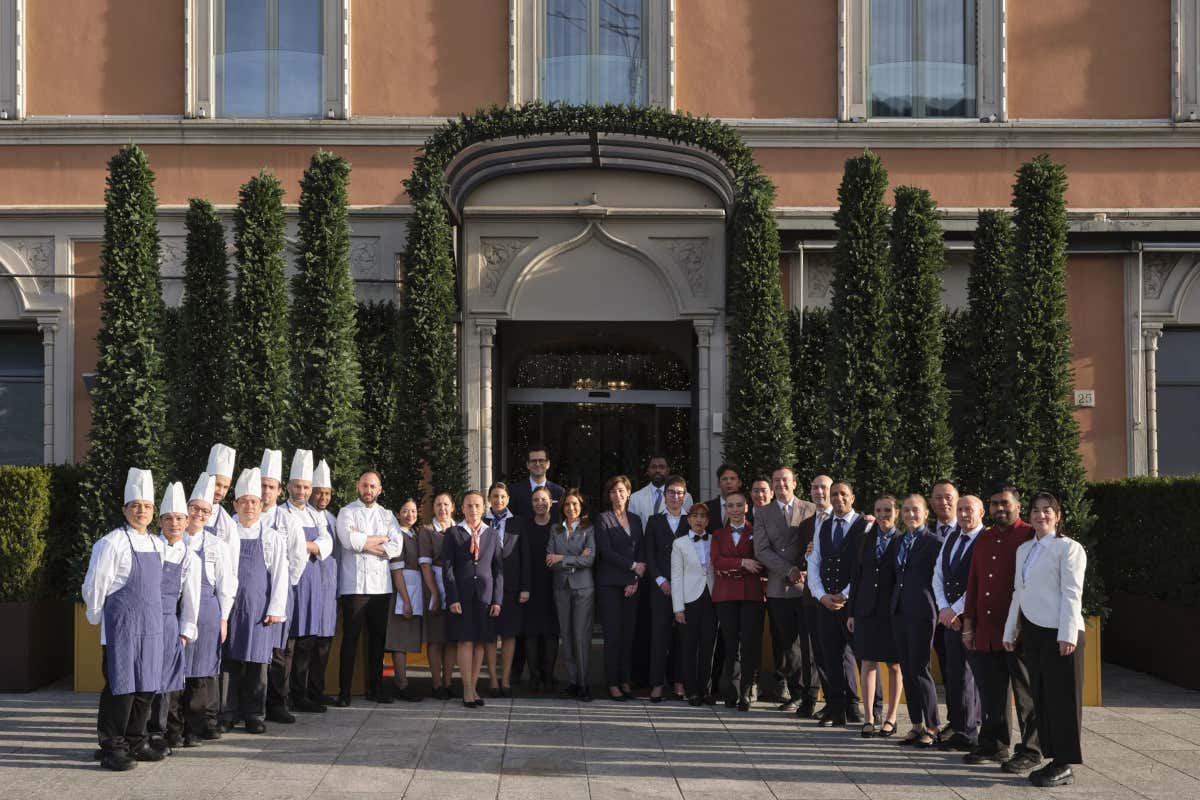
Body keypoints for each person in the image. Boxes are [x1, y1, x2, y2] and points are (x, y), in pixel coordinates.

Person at [83, 468, 168, 771]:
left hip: (151, 629)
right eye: (135, 506)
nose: (141, 511)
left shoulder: (160, 545)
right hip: (122, 628)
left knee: (146, 687)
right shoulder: (111, 543)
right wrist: (97, 619)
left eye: (146, 506)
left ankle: (136, 740)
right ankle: (112, 745)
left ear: (153, 510)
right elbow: (95, 585)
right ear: (124, 509)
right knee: (121, 687)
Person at [1003, 493, 1087, 788]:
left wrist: (1067, 635)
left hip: (1061, 634)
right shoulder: (1025, 549)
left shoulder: (1069, 548)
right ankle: (1052, 758)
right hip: (1034, 632)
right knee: (1042, 698)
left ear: (1058, 515)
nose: (1041, 516)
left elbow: (1071, 594)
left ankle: (1064, 763)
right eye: (1036, 511)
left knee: (1063, 700)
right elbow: (1019, 592)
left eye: (1047, 510)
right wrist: (1010, 631)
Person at [962, 486, 1041, 773]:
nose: (999, 509)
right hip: (987, 630)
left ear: (1018, 506)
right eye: (994, 504)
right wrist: (969, 624)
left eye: (1004, 503)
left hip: (1020, 632)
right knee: (991, 693)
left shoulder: (1031, 535)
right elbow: (974, 582)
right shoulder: (984, 537)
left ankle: (1031, 750)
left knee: (1025, 695)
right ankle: (994, 744)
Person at [221, 467, 289, 734]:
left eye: (254, 502)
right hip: (231, 608)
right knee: (230, 662)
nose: (249, 506)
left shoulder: (272, 538)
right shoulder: (226, 536)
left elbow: (281, 575)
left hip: (260, 610)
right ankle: (228, 713)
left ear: (262, 505)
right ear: (235, 505)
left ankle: (254, 714)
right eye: (244, 502)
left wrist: (275, 609)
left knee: (257, 663)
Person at [334, 470, 403, 706]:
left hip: (380, 588)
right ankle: (344, 692)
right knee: (350, 639)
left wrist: (363, 541)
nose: (368, 490)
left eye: (373, 486)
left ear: (379, 489)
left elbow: (396, 546)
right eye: (365, 485)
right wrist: (378, 539)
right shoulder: (346, 512)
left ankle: (376, 689)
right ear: (358, 486)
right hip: (354, 586)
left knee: (377, 641)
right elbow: (348, 541)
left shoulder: (387, 515)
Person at [807, 480, 871, 727]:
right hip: (825, 603)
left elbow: (863, 567)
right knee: (830, 657)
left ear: (853, 497)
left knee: (863, 657)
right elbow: (814, 562)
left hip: (852, 604)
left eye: (843, 494)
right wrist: (821, 595)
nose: (838, 498)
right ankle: (836, 709)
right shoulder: (823, 524)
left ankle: (868, 710)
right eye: (834, 494)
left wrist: (844, 594)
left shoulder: (864, 525)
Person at [753, 467, 816, 714]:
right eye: (776, 480)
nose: (780, 484)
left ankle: (812, 692)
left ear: (795, 483)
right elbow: (761, 550)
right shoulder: (763, 513)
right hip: (780, 586)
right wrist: (788, 569)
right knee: (788, 644)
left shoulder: (810, 509)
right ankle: (796, 692)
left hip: (808, 586)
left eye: (785, 480)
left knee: (809, 643)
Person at [180, 473, 235, 747]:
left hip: (209, 613)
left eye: (205, 511)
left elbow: (227, 585)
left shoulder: (217, 545)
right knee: (177, 673)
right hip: (177, 614)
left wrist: (224, 618)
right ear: (186, 509)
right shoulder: (173, 540)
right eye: (195, 509)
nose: (199, 514)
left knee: (202, 673)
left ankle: (196, 726)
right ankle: (173, 727)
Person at [147, 482, 201, 755]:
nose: (174, 524)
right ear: (160, 521)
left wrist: (185, 630)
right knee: (143, 678)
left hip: (169, 623)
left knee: (165, 681)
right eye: (168, 518)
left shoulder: (190, 557)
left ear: (187, 520)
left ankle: (158, 732)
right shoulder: (149, 547)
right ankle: (138, 730)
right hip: (145, 621)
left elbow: (191, 598)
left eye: (179, 518)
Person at [258, 449, 309, 724]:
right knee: (251, 651)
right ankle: (247, 705)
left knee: (279, 651)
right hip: (251, 595)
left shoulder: (288, 520)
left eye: (270, 487)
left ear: (279, 490)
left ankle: (277, 703)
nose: (266, 491)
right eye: (262, 486)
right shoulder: (244, 516)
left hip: (281, 591)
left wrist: (282, 586)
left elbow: (298, 557)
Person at [442, 490, 505, 708]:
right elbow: (448, 569)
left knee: (481, 642)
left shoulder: (492, 534)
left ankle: (474, 685)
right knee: (465, 640)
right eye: (469, 505)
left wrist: (497, 599)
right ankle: (467, 689)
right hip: (462, 595)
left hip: (485, 596)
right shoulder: (453, 533)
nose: (474, 510)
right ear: (462, 509)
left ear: (484, 508)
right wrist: (452, 597)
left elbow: (498, 569)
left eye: (478, 505)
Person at [283, 454, 335, 713]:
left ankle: (301, 694)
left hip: (313, 585)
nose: (302, 491)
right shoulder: (282, 514)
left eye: (306, 487)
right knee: (289, 646)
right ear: (289, 487)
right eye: (298, 486)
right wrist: (314, 547)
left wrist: (305, 546)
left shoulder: (316, 517)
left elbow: (327, 544)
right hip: (292, 585)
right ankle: (286, 696)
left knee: (307, 643)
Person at [847, 496, 902, 738]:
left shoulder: (903, 540)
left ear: (897, 512)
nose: (882, 514)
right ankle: (869, 717)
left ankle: (890, 718)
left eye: (887, 510)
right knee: (867, 662)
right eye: (878, 510)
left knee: (894, 664)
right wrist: (851, 612)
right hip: (865, 611)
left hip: (892, 612)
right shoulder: (863, 540)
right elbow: (856, 577)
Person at [890, 495, 942, 747]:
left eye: (916, 510)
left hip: (923, 611)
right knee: (907, 669)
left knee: (921, 669)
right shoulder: (899, 540)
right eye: (907, 510)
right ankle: (916, 724)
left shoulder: (934, 542)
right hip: (899, 610)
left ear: (925, 514)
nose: (911, 514)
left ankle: (932, 726)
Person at [934, 495, 985, 752]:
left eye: (969, 509)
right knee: (953, 673)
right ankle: (959, 726)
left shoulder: (985, 539)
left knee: (971, 675)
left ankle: (971, 731)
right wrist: (943, 608)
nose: (964, 514)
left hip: (972, 619)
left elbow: (978, 582)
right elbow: (938, 573)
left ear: (981, 512)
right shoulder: (953, 536)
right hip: (949, 619)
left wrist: (955, 610)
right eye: (961, 509)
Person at [593, 475, 645, 701]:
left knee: (628, 635)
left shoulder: (635, 519)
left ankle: (625, 680)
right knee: (613, 636)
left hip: (631, 585)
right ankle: (612, 683)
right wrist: (632, 565)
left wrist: (635, 578)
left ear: (628, 493)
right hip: (610, 585)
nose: (618, 495)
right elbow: (605, 551)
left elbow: (641, 549)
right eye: (613, 491)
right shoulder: (602, 519)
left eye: (621, 490)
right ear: (609, 495)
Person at [710, 492, 763, 711]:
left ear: (746, 507)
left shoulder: (756, 531)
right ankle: (731, 691)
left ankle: (746, 692)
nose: (734, 509)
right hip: (726, 595)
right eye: (730, 506)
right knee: (731, 644)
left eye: (738, 505)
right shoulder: (718, 534)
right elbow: (717, 562)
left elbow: (761, 561)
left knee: (749, 645)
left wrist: (735, 565)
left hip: (751, 594)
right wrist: (742, 562)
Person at [792, 474, 837, 718]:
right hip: (811, 595)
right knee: (812, 650)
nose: (819, 491)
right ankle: (813, 699)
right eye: (815, 487)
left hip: (836, 597)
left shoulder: (846, 520)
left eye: (824, 487)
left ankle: (838, 701)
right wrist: (806, 555)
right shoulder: (807, 524)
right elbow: (800, 560)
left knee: (834, 651)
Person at [643, 474, 691, 701]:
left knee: (683, 636)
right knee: (659, 636)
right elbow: (649, 554)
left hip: (686, 588)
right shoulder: (654, 521)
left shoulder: (691, 520)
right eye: (671, 492)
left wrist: (682, 583)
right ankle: (657, 684)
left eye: (679, 493)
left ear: (685, 496)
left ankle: (680, 682)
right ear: (664, 496)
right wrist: (660, 580)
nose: (675, 497)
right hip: (661, 587)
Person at [547, 489, 595, 702]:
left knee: (580, 636)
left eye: (575, 504)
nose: (571, 508)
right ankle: (573, 682)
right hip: (561, 588)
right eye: (567, 504)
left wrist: (562, 559)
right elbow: (549, 559)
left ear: (581, 507)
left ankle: (584, 684)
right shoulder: (555, 530)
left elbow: (589, 560)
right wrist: (575, 557)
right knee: (566, 636)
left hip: (583, 589)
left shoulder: (589, 530)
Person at [484, 482, 530, 697]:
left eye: (502, 496)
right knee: (491, 636)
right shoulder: (482, 521)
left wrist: (525, 587)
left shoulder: (518, 522)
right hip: (487, 586)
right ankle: (492, 679)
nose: (498, 500)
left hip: (512, 587)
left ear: (508, 499)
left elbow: (525, 557)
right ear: (489, 498)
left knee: (509, 634)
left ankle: (506, 680)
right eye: (494, 496)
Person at [299, 459, 339, 706]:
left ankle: (317, 689)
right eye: (319, 492)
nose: (323, 497)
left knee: (324, 642)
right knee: (306, 643)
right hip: (308, 586)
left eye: (327, 493)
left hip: (329, 588)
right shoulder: (304, 517)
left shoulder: (333, 518)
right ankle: (301, 693)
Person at [672, 503, 718, 706]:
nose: (699, 520)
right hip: (689, 599)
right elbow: (676, 576)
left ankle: (705, 689)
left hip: (712, 597)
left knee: (709, 647)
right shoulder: (679, 543)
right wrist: (678, 608)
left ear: (707, 520)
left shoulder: (715, 540)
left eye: (703, 516)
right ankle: (691, 690)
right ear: (688, 519)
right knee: (689, 647)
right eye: (695, 516)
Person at [520, 486, 560, 692]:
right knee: (531, 633)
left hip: (554, 583)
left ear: (551, 501)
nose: (539, 503)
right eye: (535, 500)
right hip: (530, 584)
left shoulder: (558, 526)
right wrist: (523, 586)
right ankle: (534, 676)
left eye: (543, 499)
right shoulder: (525, 525)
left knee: (552, 632)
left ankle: (549, 675)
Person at [418, 491, 457, 699]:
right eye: (438, 505)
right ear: (433, 509)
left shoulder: (460, 529)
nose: (442, 508)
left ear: (452, 507)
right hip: (433, 584)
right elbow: (424, 565)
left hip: (455, 589)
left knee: (451, 639)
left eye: (446, 505)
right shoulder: (426, 531)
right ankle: (436, 684)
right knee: (435, 640)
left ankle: (449, 682)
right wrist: (434, 593)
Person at [385, 499, 423, 702]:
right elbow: (396, 570)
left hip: (414, 591)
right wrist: (405, 600)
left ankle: (403, 681)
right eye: (405, 511)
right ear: (398, 514)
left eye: (414, 511)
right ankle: (401, 684)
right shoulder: (397, 535)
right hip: (402, 592)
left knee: (406, 639)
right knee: (399, 641)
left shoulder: (416, 535)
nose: (410, 515)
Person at [628, 454, 693, 525]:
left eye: (661, 467)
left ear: (668, 470)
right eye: (653, 467)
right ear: (648, 470)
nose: (657, 470)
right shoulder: (635, 498)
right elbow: (632, 527)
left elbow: (689, 525)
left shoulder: (685, 497)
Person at [507, 444, 565, 521]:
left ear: (548, 464)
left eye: (541, 460)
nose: (537, 464)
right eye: (533, 461)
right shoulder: (513, 491)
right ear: (527, 465)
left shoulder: (559, 492)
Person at [703, 463, 743, 533]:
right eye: (724, 479)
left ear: (739, 483)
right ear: (718, 483)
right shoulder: (707, 508)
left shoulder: (748, 507)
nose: (728, 482)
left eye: (732, 478)